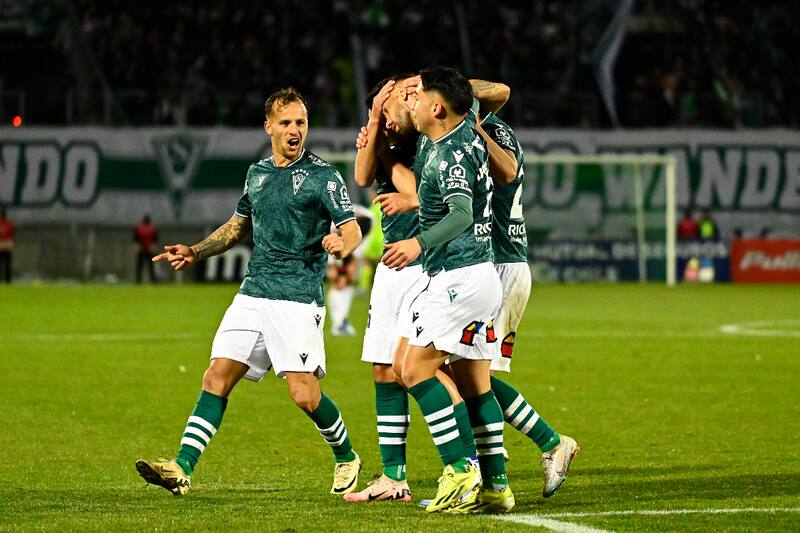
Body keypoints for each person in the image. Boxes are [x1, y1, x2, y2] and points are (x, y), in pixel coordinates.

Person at [136, 88, 363, 497]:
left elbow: (352, 227)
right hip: (253, 292)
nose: (295, 130)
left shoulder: (324, 176)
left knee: (303, 394)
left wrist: (340, 244)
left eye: (301, 122)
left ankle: (346, 456)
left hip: (296, 296)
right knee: (216, 376)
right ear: (269, 127)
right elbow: (238, 225)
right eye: (286, 123)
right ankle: (181, 467)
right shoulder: (257, 174)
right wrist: (196, 250)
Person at [345, 74, 513, 505]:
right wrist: (379, 119)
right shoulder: (450, 136)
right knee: (436, 372)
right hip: (463, 274)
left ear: (434, 106)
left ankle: (462, 471)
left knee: (423, 371)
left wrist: (416, 233)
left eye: (417, 98)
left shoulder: (445, 151)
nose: (411, 104)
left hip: (456, 273)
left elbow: (460, 209)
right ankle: (495, 485)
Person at [479, 108, 579, 499]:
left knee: (470, 374)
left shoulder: (490, 134)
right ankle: (493, 454)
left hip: (501, 268)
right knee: (468, 372)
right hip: (497, 267)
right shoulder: (494, 129)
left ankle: (548, 443)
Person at [134, 215, 159, 283]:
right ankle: (138, 281)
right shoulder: (139, 227)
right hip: (141, 249)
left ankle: (153, 280)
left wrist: (153, 246)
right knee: (139, 266)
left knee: (151, 266)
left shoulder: (152, 228)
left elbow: (155, 238)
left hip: (149, 249)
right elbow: (136, 237)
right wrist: (137, 245)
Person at [0, 207, 13, 284]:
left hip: (4, 245)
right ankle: (8, 281)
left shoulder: (9, 224)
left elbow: (12, 234)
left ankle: (8, 280)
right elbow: (12, 235)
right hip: (7, 245)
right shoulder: (9, 223)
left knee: (7, 265)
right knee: (7, 265)